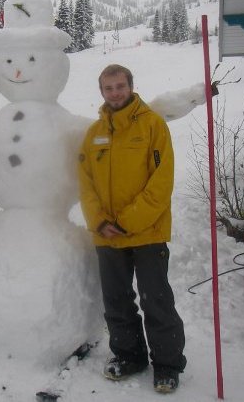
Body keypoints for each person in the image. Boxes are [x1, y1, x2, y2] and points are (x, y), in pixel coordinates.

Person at [77, 64, 186, 393]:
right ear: (102, 91)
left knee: (156, 299)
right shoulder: (94, 133)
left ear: (130, 86)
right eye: (109, 88)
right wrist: (99, 221)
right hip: (106, 235)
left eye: (120, 86)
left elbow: (161, 181)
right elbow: (86, 184)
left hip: (147, 232)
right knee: (117, 301)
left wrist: (127, 222)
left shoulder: (152, 125)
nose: (115, 93)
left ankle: (166, 364)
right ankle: (129, 355)